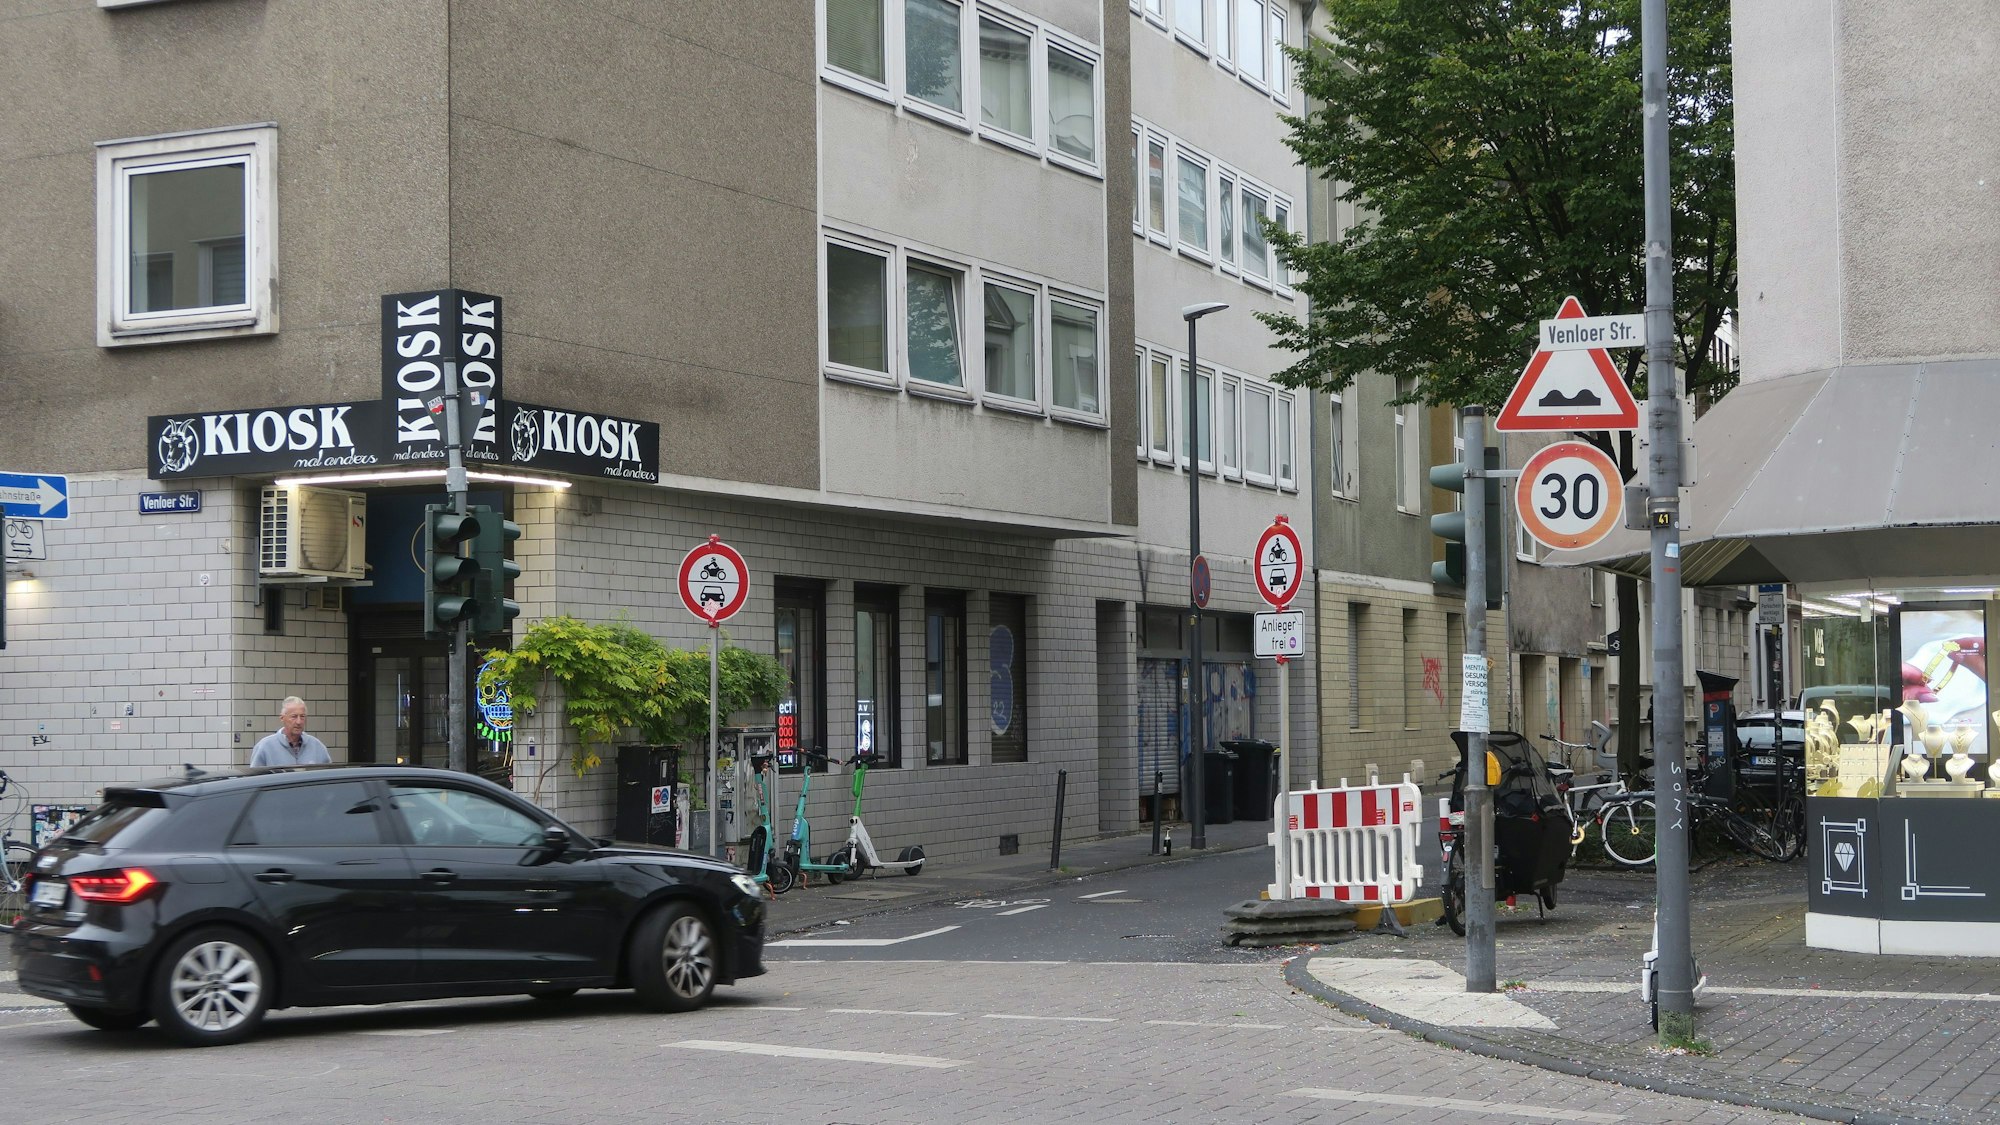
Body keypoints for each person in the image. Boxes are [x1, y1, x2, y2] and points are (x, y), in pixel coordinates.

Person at [250, 697, 332, 767]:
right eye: (294, 716)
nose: (299, 722)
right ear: (282, 718)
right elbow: (255, 779)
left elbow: (327, 777)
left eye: (302, 716)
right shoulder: (265, 747)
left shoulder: (317, 747)